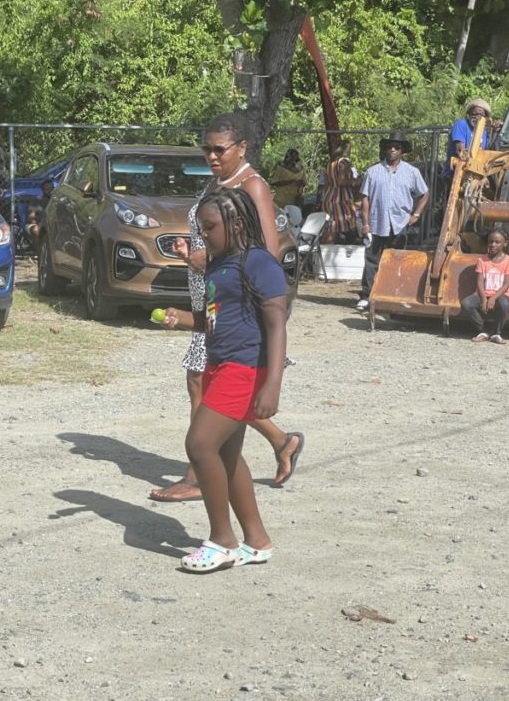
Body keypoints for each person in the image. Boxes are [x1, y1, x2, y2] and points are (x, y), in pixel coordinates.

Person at [149, 112, 304, 503]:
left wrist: (212, 262)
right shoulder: (217, 182)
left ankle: (198, 475)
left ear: (242, 148)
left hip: (237, 304)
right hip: (212, 297)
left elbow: (266, 252)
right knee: (216, 385)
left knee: (204, 382)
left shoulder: (253, 186)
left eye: (220, 149)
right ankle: (280, 442)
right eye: (207, 149)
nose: (212, 156)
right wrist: (194, 254)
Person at [157, 187, 287, 572]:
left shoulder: (259, 263)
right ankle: (257, 541)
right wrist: (184, 319)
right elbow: (213, 319)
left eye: (210, 227)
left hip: (245, 368)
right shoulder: (217, 265)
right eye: (201, 228)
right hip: (219, 364)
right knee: (227, 456)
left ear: (238, 223)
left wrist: (273, 384)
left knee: (199, 444)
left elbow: (276, 324)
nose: (204, 235)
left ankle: (222, 541)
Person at [356, 131, 429, 312]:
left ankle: (393, 295)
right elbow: (365, 198)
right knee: (372, 260)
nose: (393, 150)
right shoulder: (373, 172)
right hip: (377, 223)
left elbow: (424, 194)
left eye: (397, 147)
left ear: (402, 151)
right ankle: (367, 296)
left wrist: (416, 215)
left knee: (397, 260)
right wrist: (366, 223)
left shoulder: (412, 172)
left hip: (399, 223)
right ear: (385, 149)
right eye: (390, 147)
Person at [461, 228, 509, 344]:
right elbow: (480, 282)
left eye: (497, 242)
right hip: (484, 294)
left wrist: (493, 298)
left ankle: (496, 332)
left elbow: (506, 284)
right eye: (491, 242)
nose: (493, 245)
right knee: (467, 303)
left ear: (505, 243)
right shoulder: (482, 260)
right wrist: (483, 299)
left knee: (504, 304)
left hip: (501, 295)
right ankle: (484, 331)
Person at [320, 140, 359, 243]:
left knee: (330, 226)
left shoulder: (329, 164)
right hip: (342, 198)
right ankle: (348, 246)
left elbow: (326, 184)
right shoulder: (344, 162)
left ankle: (326, 247)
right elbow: (341, 181)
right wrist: (355, 181)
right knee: (346, 224)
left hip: (329, 197)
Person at [444, 99, 492, 181]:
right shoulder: (461, 124)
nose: (478, 117)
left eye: (481, 115)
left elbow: (487, 151)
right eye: (474, 114)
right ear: (469, 114)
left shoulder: (484, 132)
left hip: (475, 175)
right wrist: (464, 154)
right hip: (456, 174)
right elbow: (460, 151)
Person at [25, 179, 55, 248]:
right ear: (43, 190)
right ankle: (40, 250)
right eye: (47, 189)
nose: (50, 191)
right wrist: (40, 225)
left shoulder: (56, 200)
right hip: (37, 224)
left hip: (52, 225)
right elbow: (31, 217)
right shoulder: (36, 200)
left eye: (52, 188)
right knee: (36, 229)